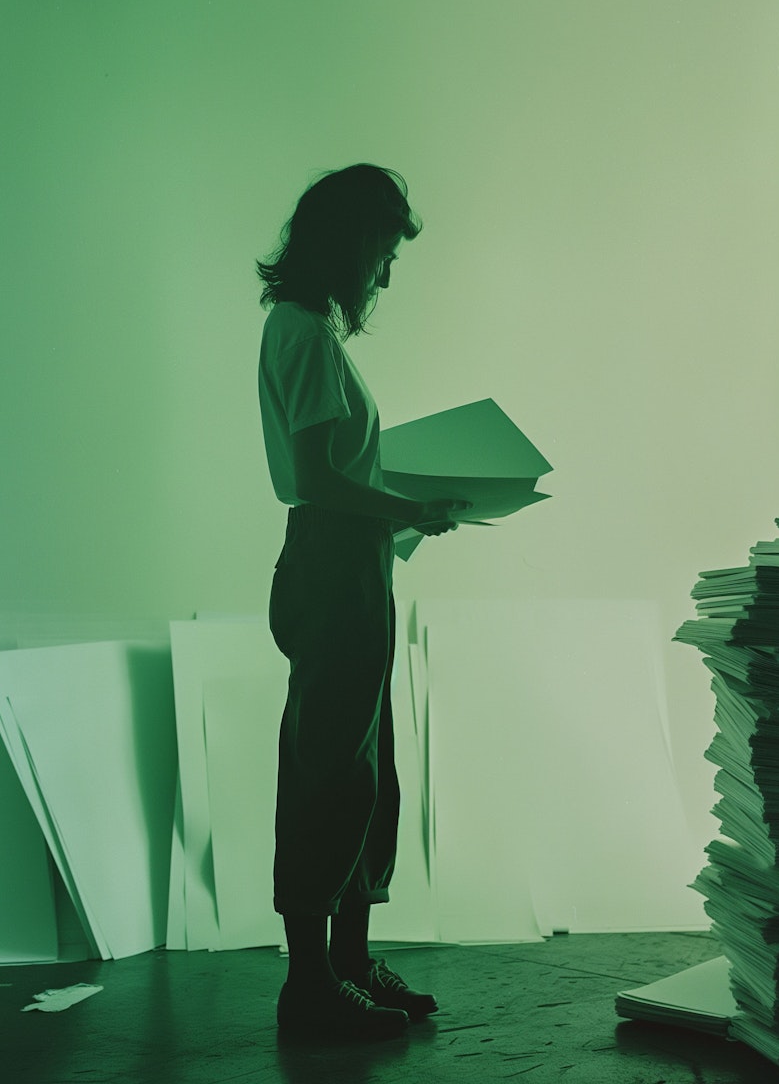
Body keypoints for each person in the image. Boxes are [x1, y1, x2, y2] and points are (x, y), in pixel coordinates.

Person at [256, 164, 470, 1043]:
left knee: (363, 770)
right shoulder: (302, 334)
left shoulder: (315, 335)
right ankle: (312, 982)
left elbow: (338, 476)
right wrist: (409, 508)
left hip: (355, 566)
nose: (385, 276)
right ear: (345, 246)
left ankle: (348, 964)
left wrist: (397, 515)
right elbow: (313, 480)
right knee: (328, 774)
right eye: (382, 254)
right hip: (333, 568)